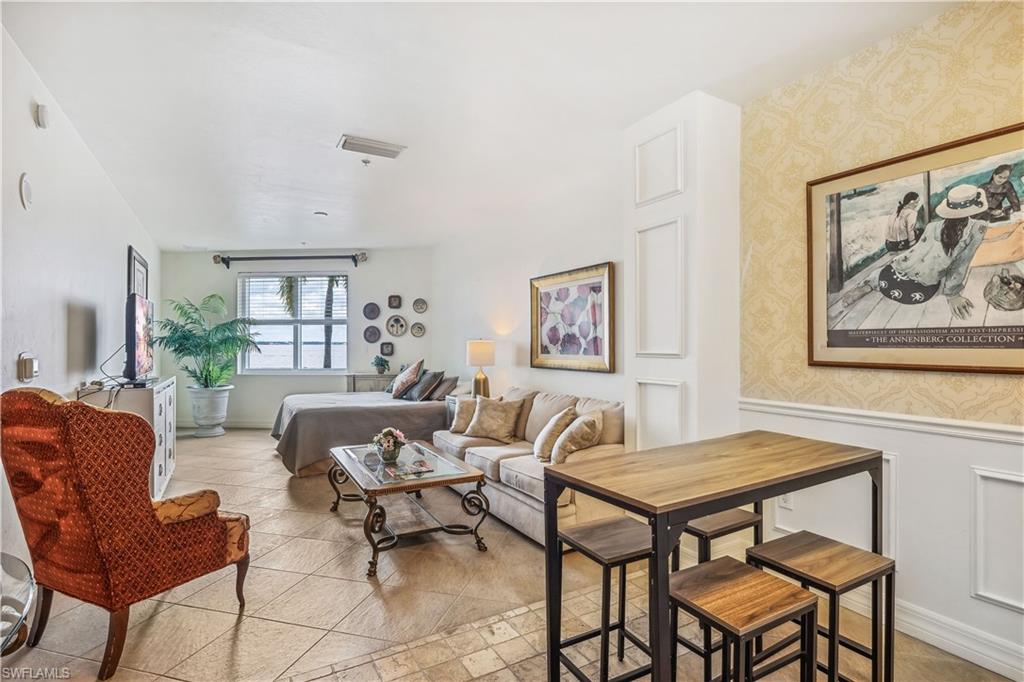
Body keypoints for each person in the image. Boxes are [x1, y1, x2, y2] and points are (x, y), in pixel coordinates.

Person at [875, 184, 990, 319]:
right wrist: (952, 294)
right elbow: (961, 264)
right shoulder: (978, 229)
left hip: (897, 272)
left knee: (886, 275)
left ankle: (871, 283)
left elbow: (914, 253)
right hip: (924, 285)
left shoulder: (932, 226)